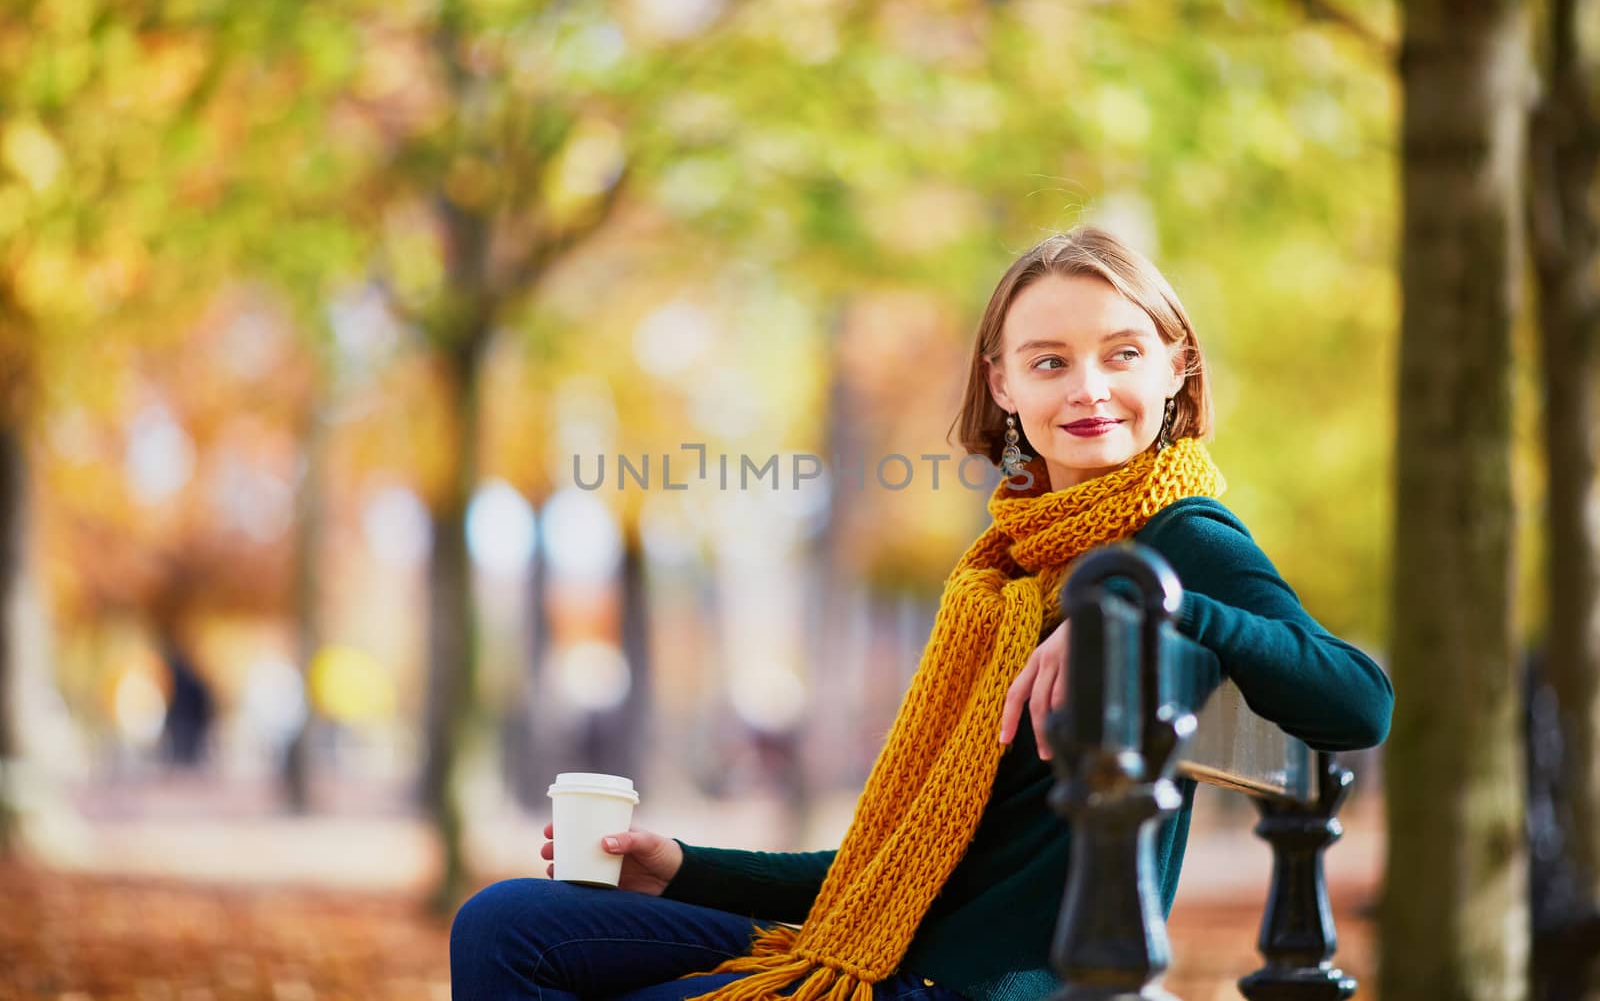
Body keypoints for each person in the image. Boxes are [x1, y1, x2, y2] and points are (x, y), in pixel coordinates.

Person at [450, 226, 1395, 1001]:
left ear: (1177, 367)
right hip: (903, 953)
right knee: (503, 924)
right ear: (1003, 386)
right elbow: (901, 867)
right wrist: (684, 866)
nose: (1088, 387)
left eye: (1122, 353)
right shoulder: (1003, 572)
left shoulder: (1183, 535)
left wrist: (1147, 610)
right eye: (1050, 361)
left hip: (981, 986)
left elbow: (1360, 702)